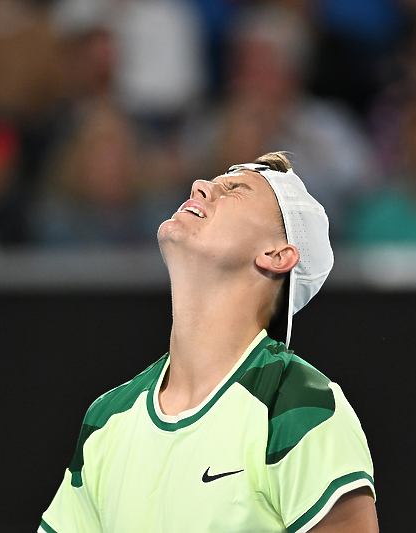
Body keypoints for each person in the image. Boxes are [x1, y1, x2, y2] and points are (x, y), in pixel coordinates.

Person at [38, 152, 378, 532]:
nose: (200, 186)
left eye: (234, 190)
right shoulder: (106, 419)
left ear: (277, 255)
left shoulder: (301, 404)